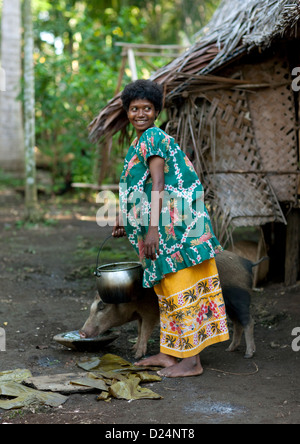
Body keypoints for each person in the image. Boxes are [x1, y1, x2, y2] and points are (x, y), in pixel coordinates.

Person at [112, 79, 229, 377]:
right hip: (167, 228)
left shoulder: (152, 137)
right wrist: (122, 216)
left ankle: (192, 362)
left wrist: (152, 230)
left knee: (181, 288)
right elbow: (140, 184)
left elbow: (159, 183)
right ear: (127, 111)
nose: (140, 114)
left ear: (156, 111)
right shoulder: (141, 141)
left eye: (147, 108)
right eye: (134, 108)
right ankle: (170, 353)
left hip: (173, 230)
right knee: (167, 291)